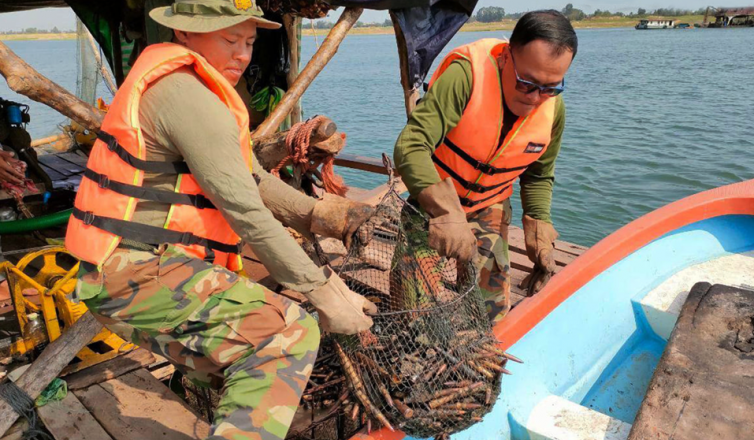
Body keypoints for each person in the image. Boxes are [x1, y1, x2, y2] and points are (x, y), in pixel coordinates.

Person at [65, 1, 377, 439]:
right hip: (135, 272)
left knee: (243, 355)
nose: (242, 55)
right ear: (186, 34)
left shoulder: (200, 88)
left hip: (127, 273)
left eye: (249, 42)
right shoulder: (184, 94)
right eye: (229, 40)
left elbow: (248, 177)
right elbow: (243, 207)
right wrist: (323, 291)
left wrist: (315, 213)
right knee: (288, 332)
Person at [393, 10, 577, 322]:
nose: (536, 98)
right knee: (414, 310)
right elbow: (411, 146)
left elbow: (539, 173)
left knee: (490, 311)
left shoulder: (553, 111)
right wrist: (446, 212)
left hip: (488, 204)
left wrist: (538, 223)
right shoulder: (466, 76)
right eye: (527, 83)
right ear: (506, 56)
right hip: (433, 201)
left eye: (551, 87)